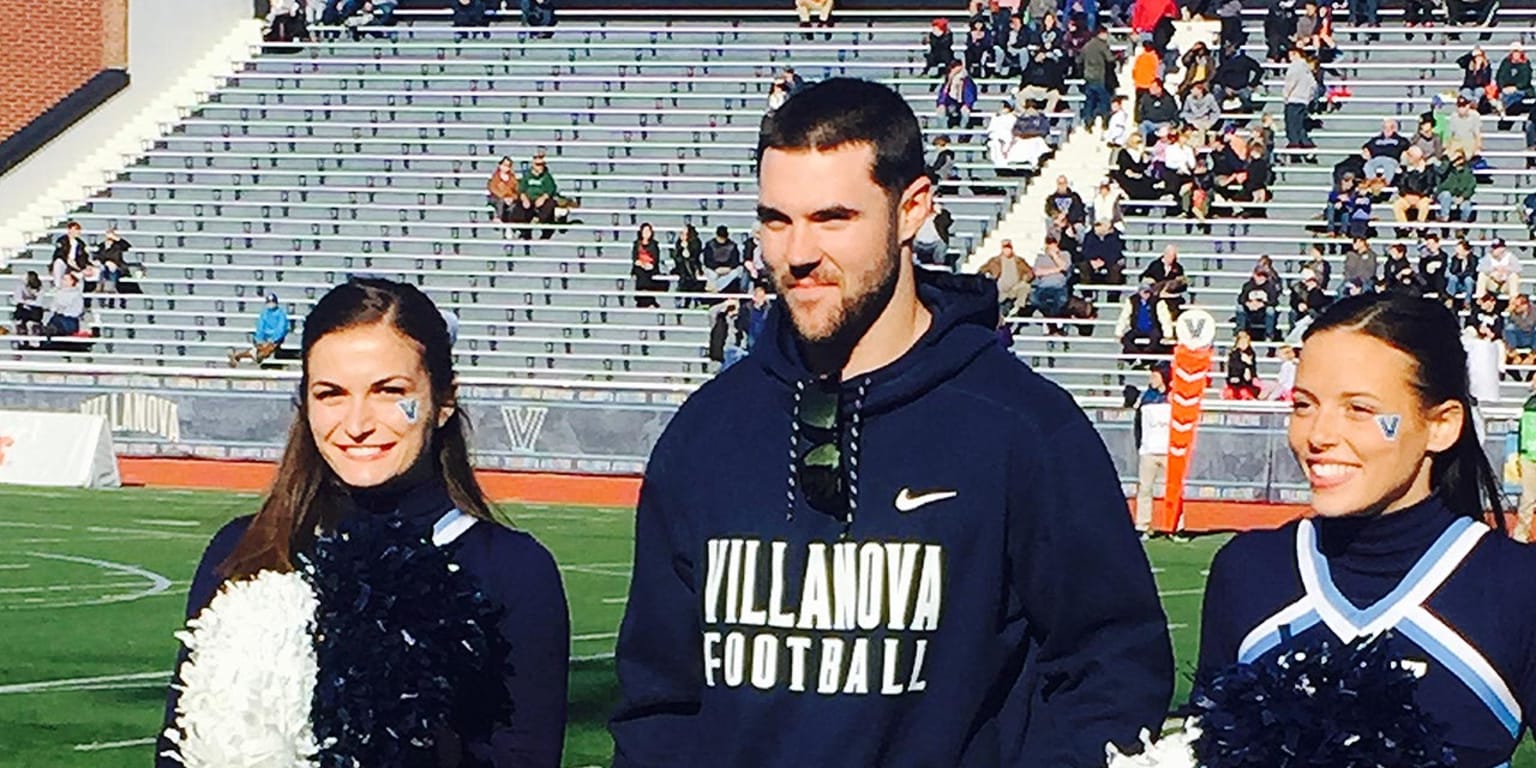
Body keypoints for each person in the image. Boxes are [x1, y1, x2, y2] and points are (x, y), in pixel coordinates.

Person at [610, 77, 1173, 767]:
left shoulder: (1023, 428)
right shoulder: (704, 435)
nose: (797, 254)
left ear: (912, 210)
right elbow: (657, 703)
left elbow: (1113, 669)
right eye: (777, 220)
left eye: (833, 218)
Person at [158, 279, 568, 768]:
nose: (356, 424)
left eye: (388, 391)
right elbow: (181, 745)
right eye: (330, 394)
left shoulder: (514, 572)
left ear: (443, 400)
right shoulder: (246, 550)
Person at [1197, 293, 1536, 768]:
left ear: (1441, 425)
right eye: (1304, 405)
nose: (1317, 435)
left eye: (1358, 409)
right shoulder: (1248, 571)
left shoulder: (1517, 587)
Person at [1133, 364, 1171, 531]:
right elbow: (1138, 424)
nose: (1151, 380)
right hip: (1148, 451)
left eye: (1155, 376)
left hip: (1170, 452)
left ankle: (1175, 525)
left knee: (1173, 491)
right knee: (1144, 489)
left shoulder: (1175, 397)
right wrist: (1140, 443)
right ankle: (1142, 525)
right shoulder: (1146, 398)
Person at [228, 294, 291, 367]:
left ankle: (246, 356)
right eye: (269, 302)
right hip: (265, 338)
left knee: (266, 350)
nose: (271, 304)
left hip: (275, 339)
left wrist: (272, 339)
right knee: (260, 348)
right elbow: (260, 326)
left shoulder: (281, 314)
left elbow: (281, 328)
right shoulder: (264, 313)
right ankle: (243, 356)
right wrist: (260, 339)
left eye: (272, 302)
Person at [978, 239, 1035, 315]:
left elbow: (1030, 272)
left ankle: (1017, 308)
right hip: (1001, 289)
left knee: (1025, 287)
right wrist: (988, 277)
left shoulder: (1019, 261)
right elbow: (981, 270)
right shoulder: (994, 261)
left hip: (1015, 288)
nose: (1007, 250)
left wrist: (1026, 277)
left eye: (1009, 248)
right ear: (1002, 249)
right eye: (1005, 248)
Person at [1282, 47, 1317, 162]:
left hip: (1293, 100)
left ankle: (1294, 151)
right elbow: (1313, 86)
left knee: (1291, 127)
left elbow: (1290, 82)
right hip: (1304, 101)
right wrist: (1309, 98)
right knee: (1299, 127)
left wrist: (1286, 96)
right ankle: (1308, 147)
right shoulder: (1307, 68)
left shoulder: (1295, 66)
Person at [1078, 25, 1115, 130]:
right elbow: (1110, 59)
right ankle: (1105, 121)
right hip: (1100, 76)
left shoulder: (1087, 45)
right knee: (1104, 100)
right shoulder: (1102, 45)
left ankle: (1088, 122)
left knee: (1089, 101)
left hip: (1088, 76)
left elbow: (1079, 60)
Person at [1213, 38, 1263, 114]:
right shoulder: (1224, 62)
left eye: (1229, 47)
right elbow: (1219, 74)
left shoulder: (1246, 60)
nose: (1227, 49)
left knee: (1248, 103)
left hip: (1242, 89)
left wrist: (1252, 84)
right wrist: (1225, 87)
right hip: (1227, 90)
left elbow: (1259, 70)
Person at [519, 150, 560, 239]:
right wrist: (524, 198)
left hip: (541, 201)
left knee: (550, 204)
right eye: (538, 165)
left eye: (542, 165)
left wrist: (543, 197)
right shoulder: (527, 175)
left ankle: (539, 221)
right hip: (529, 200)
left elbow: (551, 189)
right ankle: (523, 231)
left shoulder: (546, 176)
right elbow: (521, 189)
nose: (540, 167)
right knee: (520, 206)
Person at [1237, 267, 1279, 341]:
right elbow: (1241, 298)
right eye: (1258, 275)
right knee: (1240, 308)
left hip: (1263, 314)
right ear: (1254, 275)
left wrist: (1262, 304)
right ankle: (1240, 332)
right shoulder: (1248, 286)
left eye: (1263, 276)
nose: (1260, 278)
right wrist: (1248, 304)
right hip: (1249, 313)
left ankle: (1269, 335)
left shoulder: (1270, 287)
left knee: (1270, 310)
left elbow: (1274, 301)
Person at [1435, 149, 1477, 224]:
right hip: (1445, 195)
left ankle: (1461, 228)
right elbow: (1441, 178)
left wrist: (1463, 197)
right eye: (1455, 158)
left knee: (1467, 207)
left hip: (1460, 197)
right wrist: (1449, 162)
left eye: (1459, 158)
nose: (1457, 160)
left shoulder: (1468, 172)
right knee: (1446, 195)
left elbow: (1471, 187)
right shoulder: (1446, 170)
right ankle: (1444, 217)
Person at [936, 60, 978, 132]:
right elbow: (942, 97)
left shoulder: (967, 81)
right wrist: (949, 82)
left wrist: (967, 104)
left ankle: (962, 132)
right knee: (940, 110)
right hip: (951, 103)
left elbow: (971, 95)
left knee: (965, 111)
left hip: (963, 103)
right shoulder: (948, 81)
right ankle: (943, 133)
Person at [42, 272, 85, 339]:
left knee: (58, 323)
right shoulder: (59, 292)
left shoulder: (77, 295)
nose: (62, 281)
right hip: (57, 317)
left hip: (69, 320)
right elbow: (53, 306)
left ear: (72, 281)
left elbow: (77, 311)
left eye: (65, 279)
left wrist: (62, 310)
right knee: (54, 320)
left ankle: (50, 330)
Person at [631, 223, 664, 309]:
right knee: (640, 272)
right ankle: (647, 300)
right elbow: (635, 258)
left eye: (648, 231)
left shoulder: (654, 244)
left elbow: (655, 259)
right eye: (645, 231)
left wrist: (649, 265)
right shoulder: (636, 244)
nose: (646, 233)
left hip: (651, 267)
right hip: (639, 266)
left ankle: (645, 299)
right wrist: (641, 263)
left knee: (647, 273)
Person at [487, 156, 526, 227]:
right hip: (496, 197)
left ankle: (511, 224)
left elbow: (517, 190)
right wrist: (504, 196)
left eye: (508, 166)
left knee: (514, 206)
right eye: (504, 165)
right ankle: (499, 217)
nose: (506, 168)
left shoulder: (512, 178)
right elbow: (493, 188)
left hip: (509, 198)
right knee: (500, 202)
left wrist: (512, 198)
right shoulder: (495, 177)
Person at [1223, 330, 1261, 399]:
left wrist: (1249, 364)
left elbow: (1253, 371)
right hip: (1235, 379)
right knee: (1232, 392)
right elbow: (1233, 369)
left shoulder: (1251, 353)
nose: (1244, 345)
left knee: (1248, 391)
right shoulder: (1234, 354)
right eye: (1242, 343)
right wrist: (1245, 365)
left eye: (1246, 343)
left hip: (1247, 381)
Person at [1497, 42, 1532, 115]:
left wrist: (1515, 87)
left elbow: (1525, 81)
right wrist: (1503, 87)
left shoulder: (1525, 64)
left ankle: (1504, 108)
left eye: (1517, 52)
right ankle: (1506, 109)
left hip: (1521, 90)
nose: (1516, 54)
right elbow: (1500, 77)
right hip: (1506, 89)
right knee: (1508, 94)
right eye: (1514, 52)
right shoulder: (1505, 63)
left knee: (1515, 94)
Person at [11, 271, 45, 338]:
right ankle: (21, 329)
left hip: (34, 310)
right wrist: (26, 302)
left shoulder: (40, 288)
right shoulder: (20, 286)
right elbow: (16, 299)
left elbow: (38, 303)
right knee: (20, 309)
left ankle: (34, 328)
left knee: (37, 311)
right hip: (24, 308)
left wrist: (26, 302)